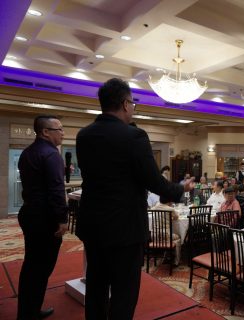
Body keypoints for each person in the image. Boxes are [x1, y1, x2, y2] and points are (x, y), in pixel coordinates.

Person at [76, 78, 194, 319]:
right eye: (133, 103)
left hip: (93, 224)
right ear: (125, 103)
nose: (134, 108)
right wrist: (181, 189)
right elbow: (153, 180)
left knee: (96, 286)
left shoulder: (83, 135)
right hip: (125, 228)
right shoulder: (134, 136)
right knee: (124, 291)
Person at [17, 115, 69, 320]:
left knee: (31, 265)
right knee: (40, 268)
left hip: (29, 214)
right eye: (60, 129)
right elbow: (56, 191)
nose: (63, 133)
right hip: (45, 219)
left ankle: (28, 310)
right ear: (45, 132)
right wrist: (63, 219)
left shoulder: (27, 152)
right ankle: (29, 313)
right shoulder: (51, 154)